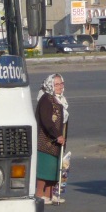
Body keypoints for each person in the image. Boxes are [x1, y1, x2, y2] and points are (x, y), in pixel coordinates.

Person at [35, 73, 69, 204]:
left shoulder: (59, 99)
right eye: (57, 84)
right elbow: (46, 121)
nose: (60, 86)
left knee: (53, 169)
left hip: (56, 141)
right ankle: (40, 194)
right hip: (46, 141)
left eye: (61, 83)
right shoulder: (46, 99)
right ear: (50, 85)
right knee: (44, 169)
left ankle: (50, 195)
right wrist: (57, 135)